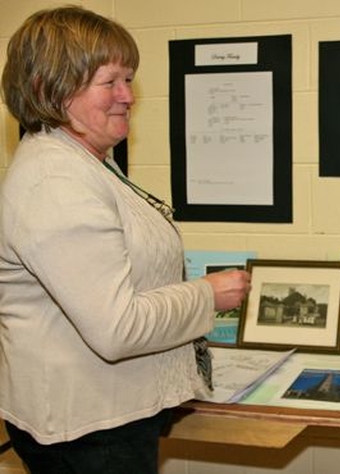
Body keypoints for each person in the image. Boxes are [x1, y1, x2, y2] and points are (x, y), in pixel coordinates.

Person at [0, 6, 251, 474]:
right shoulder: (56, 181)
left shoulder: (87, 162)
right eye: (110, 82)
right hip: (90, 431)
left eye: (129, 80)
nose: (128, 97)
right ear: (48, 89)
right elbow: (117, 329)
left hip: (110, 414)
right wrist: (207, 295)